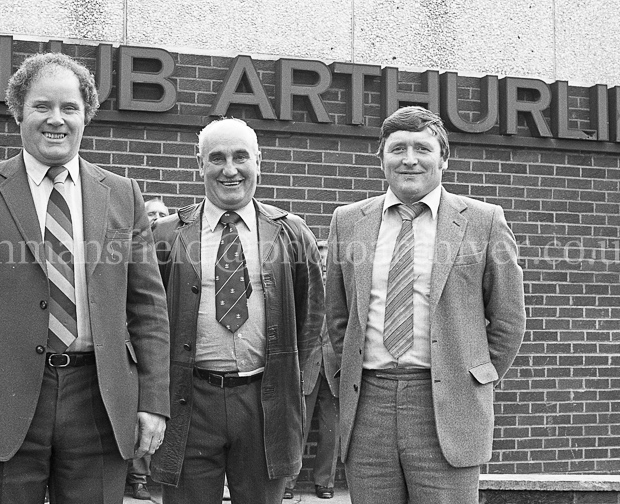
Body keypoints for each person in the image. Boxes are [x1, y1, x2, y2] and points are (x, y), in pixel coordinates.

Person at [0, 52, 171, 504]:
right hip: (0, 401)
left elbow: (148, 310)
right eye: (42, 106)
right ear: (19, 111)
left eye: (69, 108)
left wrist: (153, 401)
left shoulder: (122, 194)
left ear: (85, 116)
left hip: (99, 400)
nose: (56, 120)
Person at [325, 106, 526, 504]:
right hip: (367, 404)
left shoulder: (484, 221)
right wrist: (341, 379)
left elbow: (508, 320)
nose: (410, 159)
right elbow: (335, 317)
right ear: (381, 158)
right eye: (397, 148)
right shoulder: (347, 221)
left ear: (444, 158)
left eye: (423, 148)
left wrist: (472, 378)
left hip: (447, 407)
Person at [150, 118, 324, 504]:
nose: (230, 169)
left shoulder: (292, 233)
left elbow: (313, 320)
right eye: (217, 158)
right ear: (200, 165)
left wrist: (296, 389)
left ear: (259, 161)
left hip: (265, 402)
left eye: (240, 156)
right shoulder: (165, 235)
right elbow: (145, 319)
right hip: (189, 402)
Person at [284, 240, 339, 500]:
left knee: (332, 428)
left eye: (329, 261)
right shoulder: (306, 288)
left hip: (335, 368)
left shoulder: (343, 290)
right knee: (298, 426)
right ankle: (288, 482)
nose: (325, 266)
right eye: (321, 260)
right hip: (307, 365)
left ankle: (325, 483)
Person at [125, 195, 171, 501]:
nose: (155, 218)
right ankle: (138, 477)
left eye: (161, 214)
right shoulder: (138, 242)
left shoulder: (170, 248)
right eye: (151, 213)